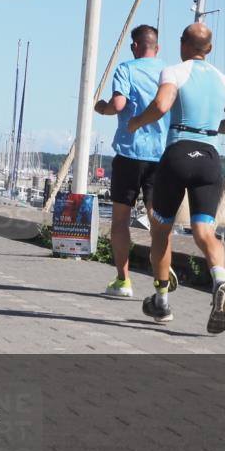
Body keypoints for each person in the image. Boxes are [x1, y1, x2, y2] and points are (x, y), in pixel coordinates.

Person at [128, 23, 225, 334]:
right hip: (209, 159)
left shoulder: (174, 72)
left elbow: (161, 105)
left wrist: (137, 123)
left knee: (161, 230)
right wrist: (210, 127)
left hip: (178, 154)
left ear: (183, 44)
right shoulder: (223, 80)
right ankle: (220, 282)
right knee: (204, 232)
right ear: (209, 49)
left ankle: (161, 301)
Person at [93, 24, 175, 299]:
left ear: (134, 47)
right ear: (158, 48)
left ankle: (123, 281)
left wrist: (101, 107)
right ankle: (163, 271)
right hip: (161, 156)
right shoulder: (169, 73)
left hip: (129, 154)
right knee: (157, 222)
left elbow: (118, 105)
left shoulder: (126, 69)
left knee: (120, 221)